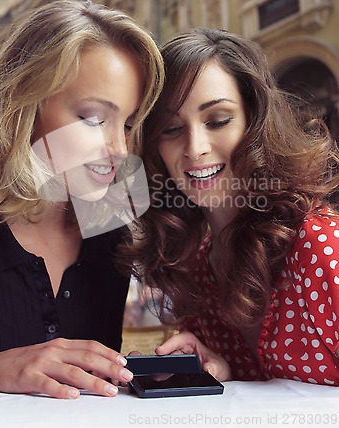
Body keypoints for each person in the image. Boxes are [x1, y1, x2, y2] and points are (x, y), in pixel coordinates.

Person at [0, 0, 164, 398]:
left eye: (126, 124)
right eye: (92, 118)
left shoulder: (115, 236)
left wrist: (146, 371)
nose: (119, 151)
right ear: (24, 104)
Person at [118, 28, 339, 386]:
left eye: (218, 120)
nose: (195, 147)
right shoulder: (199, 267)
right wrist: (221, 368)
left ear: (255, 123)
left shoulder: (320, 246)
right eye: (171, 128)